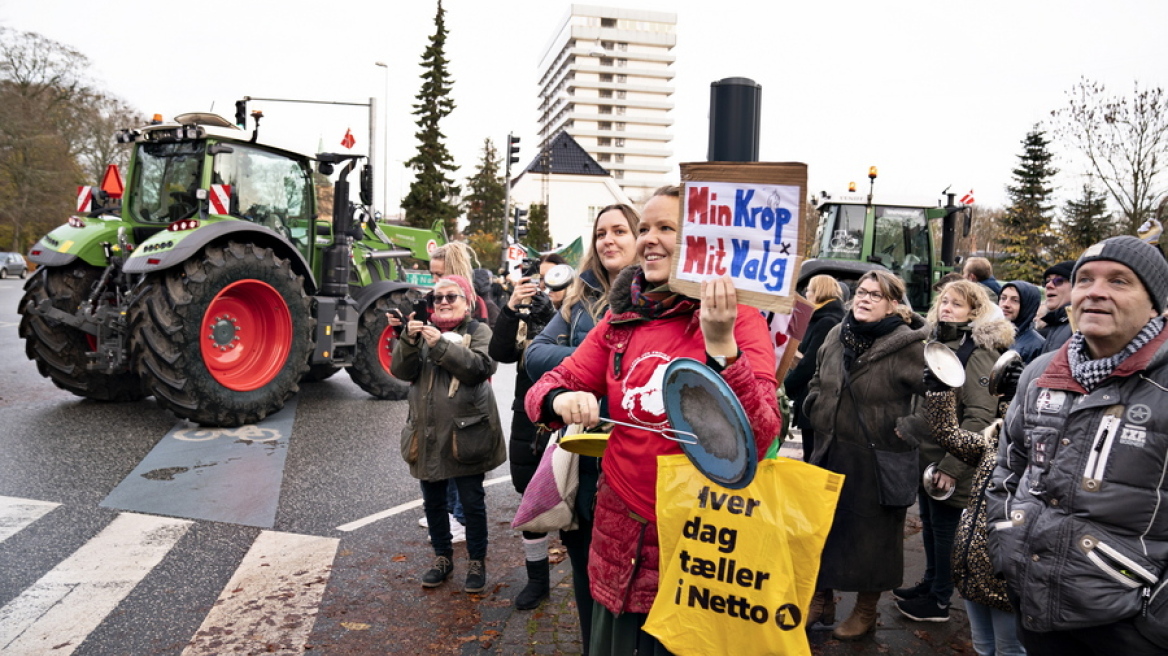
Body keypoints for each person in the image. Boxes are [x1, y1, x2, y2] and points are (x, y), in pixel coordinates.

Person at [525, 186, 781, 654]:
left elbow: (760, 437)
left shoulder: (740, 320)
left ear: (704, 244)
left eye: (667, 228)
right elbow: (544, 386)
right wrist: (561, 399)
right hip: (619, 535)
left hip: (696, 545)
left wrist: (722, 344)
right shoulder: (621, 321)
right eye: (645, 228)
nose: (649, 239)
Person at [987, 235, 1168, 654]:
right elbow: (1007, 468)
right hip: (1037, 610)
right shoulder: (1040, 372)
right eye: (1084, 279)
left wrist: (1155, 621)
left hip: (1131, 629)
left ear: (1156, 303)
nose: (1095, 291)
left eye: (1119, 281)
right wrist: (1005, 543)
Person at [524, 203, 640, 655]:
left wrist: (606, 370)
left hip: (635, 456)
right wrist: (586, 374)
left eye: (620, 231)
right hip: (584, 454)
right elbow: (535, 355)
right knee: (584, 562)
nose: (608, 240)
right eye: (600, 233)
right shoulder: (582, 295)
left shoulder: (661, 302)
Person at [803, 269, 930, 640]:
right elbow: (817, 377)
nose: (864, 299)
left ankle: (865, 610)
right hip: (829, 450)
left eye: (875, 295)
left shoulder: (908, 345)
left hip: (878, 458)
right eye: (861, 292)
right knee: (822, 531)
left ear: (893, 303)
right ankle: (820, 600)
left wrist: (910, 428)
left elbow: (941, 399)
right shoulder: (836, 332)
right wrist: (815, 403)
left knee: (874, 540)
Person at [893, 280, 1014, 623]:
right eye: (944, 301)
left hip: (954, 464)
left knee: (947, 532)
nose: (947, 307)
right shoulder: (940, 341)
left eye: (957, 304)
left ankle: (940, 600)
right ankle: (931, 584)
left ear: (974, 311)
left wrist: (952, 466)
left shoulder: (978, 350)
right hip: (929, 458)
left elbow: (979, 416)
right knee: (930, 526)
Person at [391, 275, 506, 593]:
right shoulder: (421, 331)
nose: (442, 302)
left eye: (450, 297)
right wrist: (408, 341)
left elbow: (479, 368)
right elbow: (401, 372)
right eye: (436, 298)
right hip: (426, 433)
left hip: (466, 436)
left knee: (472, 503)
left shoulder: (478, 331)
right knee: (433, 504)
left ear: (467, 301)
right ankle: (442, 558)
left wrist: (438, 344)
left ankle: (476, 562)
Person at [919, 366, 1027, 656]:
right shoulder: (994, 442)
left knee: (1010, 650)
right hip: (972, 569)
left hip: (1007, 577)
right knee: (983, 647)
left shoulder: (1042, 454)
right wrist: (940, 392)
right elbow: (949, 434)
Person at [487, 253, 566, 610]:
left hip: (568, 419)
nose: (546, 289)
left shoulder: (580, 316)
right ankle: (537, 581)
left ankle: (579, 573)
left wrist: (552, 318)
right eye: (540, 282)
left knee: (573, 499)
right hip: (529, 421)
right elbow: (499, 352)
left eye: (555, 282)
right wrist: (510, 308)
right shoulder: (525, 315)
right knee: (531, 500)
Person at [784, 274, 846, 462]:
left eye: (809, 289)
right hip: (815, 396)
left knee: (814, 456)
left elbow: (810, 364)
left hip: (816, 399)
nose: (806, 293)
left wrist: (785, 386)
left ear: (819, 292)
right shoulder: (824, 318)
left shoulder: (826, 321)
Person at [999, 280, 1044, 364]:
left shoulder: (1036, 345)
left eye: (1015, 300)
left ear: (1027, 306)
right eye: (1003, 298)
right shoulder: (989, 336)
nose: (1006, 304)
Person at [1037, 260, 1075, 353]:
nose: (1049, 285)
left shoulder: (1079, 327)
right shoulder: (1056, 323)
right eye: (1047, 281)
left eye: (1058, 281)